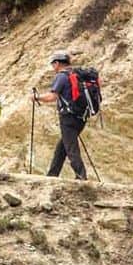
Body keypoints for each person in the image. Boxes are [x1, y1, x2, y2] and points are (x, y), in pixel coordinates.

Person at [33, 50, 101, 180]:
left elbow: (52, 96)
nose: (53, 66)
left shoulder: (62, 76)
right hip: (81, 117)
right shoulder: (78, 74)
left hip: (68, 118)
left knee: (71, 149)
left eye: (53, 64)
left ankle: (81, 176)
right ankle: (52, 175)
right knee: (62, 147)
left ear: (57, 63)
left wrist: (37, 97)